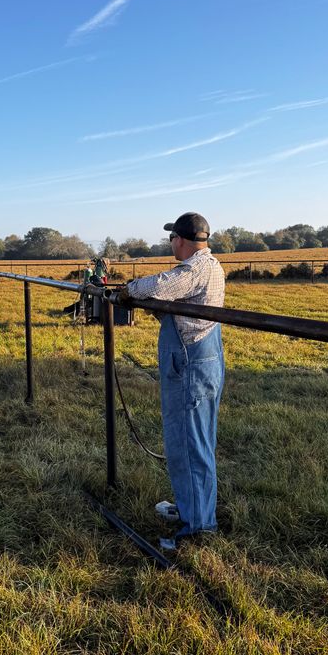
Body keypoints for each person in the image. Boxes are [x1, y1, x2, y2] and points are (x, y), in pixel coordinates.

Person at [118, 212, 225, 550]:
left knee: (189, 442)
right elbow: (175, 302)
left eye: (171, 239)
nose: (171, 245)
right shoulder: (212, 266)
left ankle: (196, 530)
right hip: (202, 359)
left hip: (191, 364)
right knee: (194, 439)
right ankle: (193, 507)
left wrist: (127, 291)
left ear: (180, 240)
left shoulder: (195, 269)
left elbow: (163, 286)